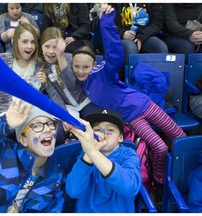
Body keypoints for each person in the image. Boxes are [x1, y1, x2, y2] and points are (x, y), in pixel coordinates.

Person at [70, 4, 186, 205]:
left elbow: (114, 54)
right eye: (77, 67)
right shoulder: (82, 85)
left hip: (145, 105)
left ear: (93, 64)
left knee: (180, 137)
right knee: (159, 147)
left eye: (86, 66)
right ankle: (160, 182)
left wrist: (106, 21)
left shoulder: (102, 71)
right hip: (132, 119)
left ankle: (183, 178)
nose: (81, 71)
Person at [66, 109, 141, 212]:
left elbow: (129, 188)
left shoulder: (128, 154)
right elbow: (73, 191)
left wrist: (93, 152)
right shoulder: (85, 154)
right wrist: (89, 154)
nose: (103, 134)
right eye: (97, 130)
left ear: (120, 137)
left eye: (110, 130)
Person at [0, 4, 45, 116]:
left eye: (32, 42)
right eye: (25, 41)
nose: (30, 46)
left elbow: (37, 96)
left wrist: (41, 84)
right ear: (16, 42)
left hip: (31, 115)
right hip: (7, 116)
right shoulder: (4, 60)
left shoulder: (38, 63)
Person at [111, 3, 168, 80]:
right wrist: (121, 33)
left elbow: (157, 22)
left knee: (161, 47)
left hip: (145, 35)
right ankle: (130, 84)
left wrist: (141, 38)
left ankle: (158, 84)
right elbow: (108, 22)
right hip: (121, 37)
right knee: (131, 48)